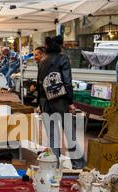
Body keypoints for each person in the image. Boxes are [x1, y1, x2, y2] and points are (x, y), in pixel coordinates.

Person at [36, 35, 86, 170]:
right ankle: (78, 164)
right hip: (61, 100)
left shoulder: (42, 60)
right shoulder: (63, 58)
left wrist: (40, 104)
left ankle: (54, 164)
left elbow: (39, 83)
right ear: (59, 46)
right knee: (69, 132)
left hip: (45, 101)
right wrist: (70, 102)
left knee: (52, 136)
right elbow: (67, 82)